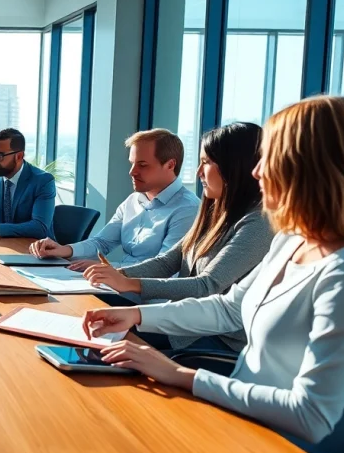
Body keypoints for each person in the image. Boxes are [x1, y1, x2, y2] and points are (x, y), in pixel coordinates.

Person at [82, 96, 344, 446]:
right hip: (239, 418)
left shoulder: (343, 273)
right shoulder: (291, 239)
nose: (257, 172)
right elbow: (228, 307)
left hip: (280, 449)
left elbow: (311, 416)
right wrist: (135, 315)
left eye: (270, 159)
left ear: (313, 169)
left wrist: (181, 375)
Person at [81, 123, 273, 351]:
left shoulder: (259, 223)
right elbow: (168, 261)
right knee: (92, 313)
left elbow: (207, 285)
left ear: (234, 167)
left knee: (104, 342)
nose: (198, 172)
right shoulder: (214, 211)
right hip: (180, 323)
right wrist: (115, 275)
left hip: (214, 341)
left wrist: (128, 283)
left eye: (207, 162)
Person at [29, 128, 199, 270]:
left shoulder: (187, 209)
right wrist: (63, 250)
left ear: (170, 165)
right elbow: (102, 242)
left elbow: (164, 267)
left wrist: (111, 271)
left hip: (149, 300)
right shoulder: (133, 201)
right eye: (132, 163)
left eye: (142, 165)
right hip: (117, 287)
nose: (132, 172)